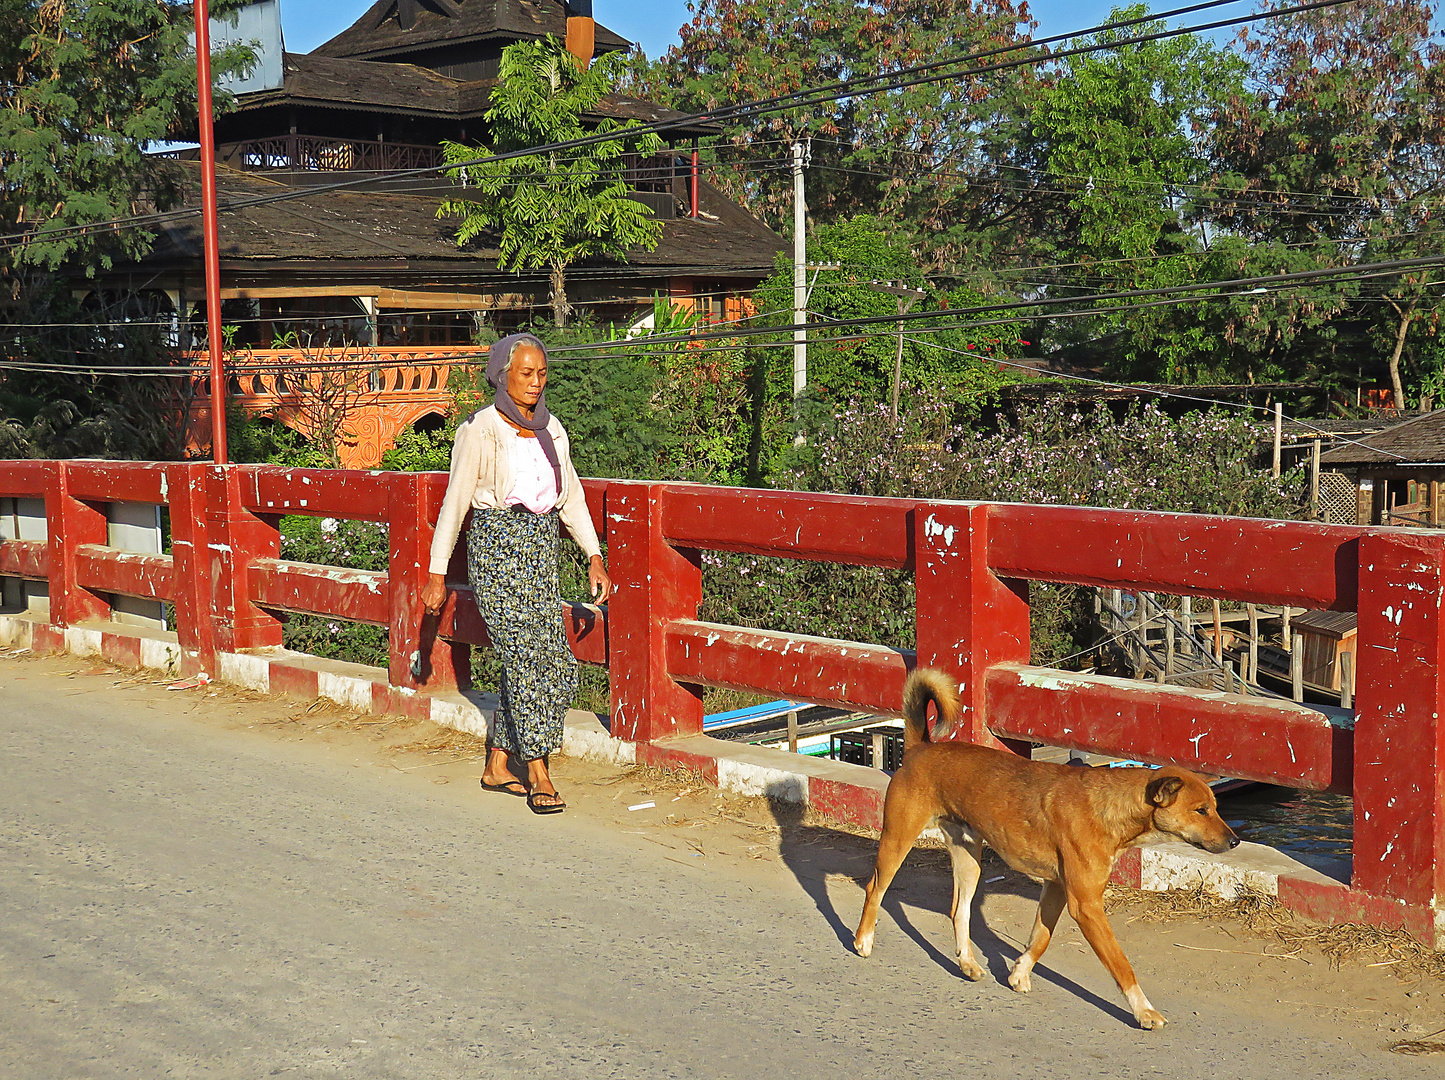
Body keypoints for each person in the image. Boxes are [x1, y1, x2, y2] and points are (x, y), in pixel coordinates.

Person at [421, 333, 612, 815]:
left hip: (542, 552)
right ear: (502, 375)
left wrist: (593, 552)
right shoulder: (480, 430)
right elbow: (455, 502)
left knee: (556, 661)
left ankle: (497, 762)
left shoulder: (554, 431)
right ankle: (539, 770)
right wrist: (436, 572)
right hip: (498, 550)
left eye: (541, 374)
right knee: (529, 659)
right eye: (525, 374)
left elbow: (571, 496)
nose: (534, 383)